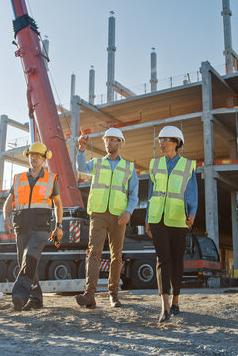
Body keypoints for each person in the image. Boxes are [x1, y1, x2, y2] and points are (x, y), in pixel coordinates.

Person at [75, 128, 138, 308]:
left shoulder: (128, 167)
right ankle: (89, 295)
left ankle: (113, 294)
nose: (108, 143)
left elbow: (133, 194)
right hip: (99, 214)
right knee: (93, 252)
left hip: (119, 215)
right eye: (106, 140)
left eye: (112, 140)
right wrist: (81, 149)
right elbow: (80, 167)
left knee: (116, 255)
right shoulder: (96, 163)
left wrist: (128, 211)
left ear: (119, 143)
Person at [145, 125, 198, 323]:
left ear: (176, 143)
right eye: (160, 139)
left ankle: (176, 299)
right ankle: (164, 305)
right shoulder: (154, 165)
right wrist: (147, 218)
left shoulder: (187, 165)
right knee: (162, 259)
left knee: (176, 260)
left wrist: (192, 213)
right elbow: (151, 194)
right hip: (158, 218)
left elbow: (192, 192)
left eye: (166, 139)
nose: (162, 143)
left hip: (178, 219)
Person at [3, 142, 63, 311]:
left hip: (41, 227)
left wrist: (59, 225)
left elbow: (58, 204)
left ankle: (20, 295)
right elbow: (9, 201)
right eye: (31, 156)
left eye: (37, 156)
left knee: (29, 257)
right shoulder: (18, 178)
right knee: (26, 262)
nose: (34, 159)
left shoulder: (51, 179)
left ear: (44, 159)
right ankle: (36, 299)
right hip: (21, 226)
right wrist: (6, 218)